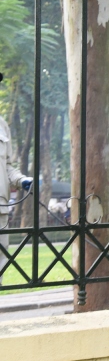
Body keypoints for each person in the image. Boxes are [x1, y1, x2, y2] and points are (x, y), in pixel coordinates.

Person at [0, 117, 32, 281]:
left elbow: (7, 166)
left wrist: (21, 180)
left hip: (0, 207)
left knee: (0, 258)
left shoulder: (2, 124)